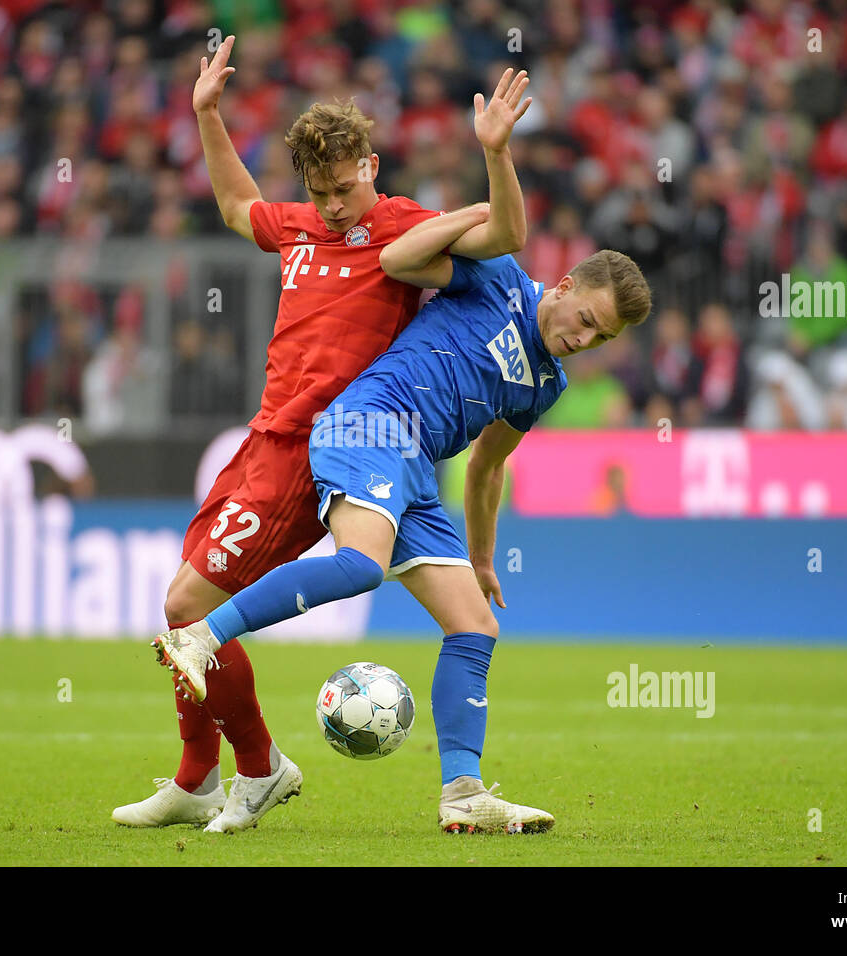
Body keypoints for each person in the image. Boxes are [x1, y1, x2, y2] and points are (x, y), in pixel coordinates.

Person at [113, 37, 534, 834]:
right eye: (320, 191)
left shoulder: (406, 229)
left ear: (372, 165)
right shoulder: (301, 226)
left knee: (185, 607)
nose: (335, 205)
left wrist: (496, 158)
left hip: (326, 448)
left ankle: (259, 766)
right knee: (179, 612)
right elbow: (239, 209)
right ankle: (199, 776)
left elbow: (502, 239)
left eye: (344, 187)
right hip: (262, 437)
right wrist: (208, 115)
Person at [154, 213, 652, 833]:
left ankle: (463, 793)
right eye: (586, 320)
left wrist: (482, 559)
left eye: (600, 339)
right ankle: (202, 636)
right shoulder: (498, 278)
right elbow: (398, 261)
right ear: (566, 285)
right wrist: (487, 195)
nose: (584, 340)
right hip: (368, 422)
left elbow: (486, 468)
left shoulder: (545, 384)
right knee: (362, 565)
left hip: (416, 468)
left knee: (475, 624)